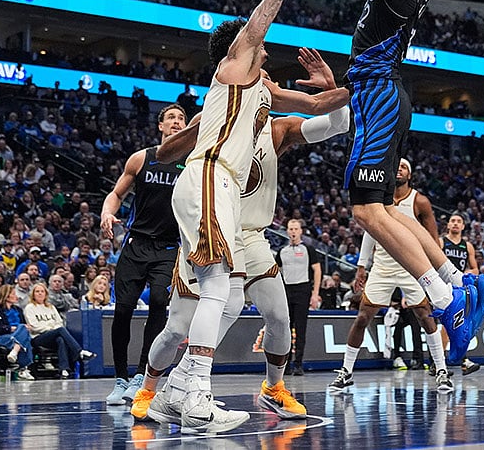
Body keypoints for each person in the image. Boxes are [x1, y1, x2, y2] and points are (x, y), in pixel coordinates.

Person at [159, 0, 346, 435]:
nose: (266, 51)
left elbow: (318, 104)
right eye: (258, 47)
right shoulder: (236, 69)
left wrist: (359, 79)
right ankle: (189, 389)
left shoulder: (261, 91)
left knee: (223, 289)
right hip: (212, 176)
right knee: (222, 287)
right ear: (237, 52)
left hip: (216, 187)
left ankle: (179, 389)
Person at [132, 51, 349, 424]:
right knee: (176, 329)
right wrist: (192, 132)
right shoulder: (215, 118)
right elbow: (165, 154)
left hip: (251, 235)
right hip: (212, 224)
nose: (261, 80)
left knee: (279, 318)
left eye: (266, 77)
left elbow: (336, 126)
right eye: (255, 75)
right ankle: (151, 390)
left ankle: (273, 389)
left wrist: (330, 87)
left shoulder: (278, 129)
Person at [330, 0, 484, 362]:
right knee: (377, 207)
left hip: (380, 95)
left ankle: (446, 301)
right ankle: (454, 281)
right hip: (382, 94)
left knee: (366, 208)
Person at [329, 159, 452, 393]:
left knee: (425, 316)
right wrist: (362, 266)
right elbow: (369, 232)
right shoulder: (379, 197)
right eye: (396, 166)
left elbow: (433, 239)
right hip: (383, 266)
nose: (399, 169)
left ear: (411, 174)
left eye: (404, 167)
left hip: (411, 267)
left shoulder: (420, 201)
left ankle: (442, 370)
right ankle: (345, 372)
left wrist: (436, 268)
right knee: (363, 317)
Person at [99, 103, 187, 407]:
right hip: (136, 245)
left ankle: (141, 375)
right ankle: (120, 379)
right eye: (171, 118)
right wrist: (107, 214)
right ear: (161, 126)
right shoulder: (142, 158)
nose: (177, 122)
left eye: (181, 119)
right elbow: (116, 194)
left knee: (159, 305)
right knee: (122, 311)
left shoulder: (191, 163)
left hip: (169, 247)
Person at [275, 219, 322, 376]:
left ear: (301, 231)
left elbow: (317, 270)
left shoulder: (308, 249)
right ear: (287, 231)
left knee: (301, 328)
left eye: (296, 229)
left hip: (303, 289)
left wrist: (315, 293)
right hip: (287, 290)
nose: (293, 232)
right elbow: (277, 271)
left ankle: (298, 363)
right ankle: (285, 364)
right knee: (285, 329)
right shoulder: (282, 251)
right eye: (290, 229)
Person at [439, 212, 482, 376]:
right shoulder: (441, 242)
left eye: (459, 221)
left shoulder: (467, 246)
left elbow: (475, 268)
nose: (455, 223)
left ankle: (461, 361)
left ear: (463, 226)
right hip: (443, 286)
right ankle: (441, 361)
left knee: (459, 323)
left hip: (460, 287)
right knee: (448, 323)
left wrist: (464, 274)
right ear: (448, 225)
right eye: (452, 221)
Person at [23, 282, 95, 379]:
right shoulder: (30, 307)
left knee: (60, 339)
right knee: (60, 331)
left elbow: (59, 322)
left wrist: (52, 327)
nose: (40, 293)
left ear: (45, 294)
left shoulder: (51, 307)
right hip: (38, 337)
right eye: (37, 291)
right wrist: (51, 327)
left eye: (42, 291)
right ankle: (79, 352)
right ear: (33, 294)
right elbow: (34, 326)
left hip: (53, 335)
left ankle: (64, 370)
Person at [0, 284, 34, 380]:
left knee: (24, 333)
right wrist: (15, 328)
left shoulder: (18, 310)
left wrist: (23, 328)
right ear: (6, 296)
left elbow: (24, 325)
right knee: (24, 335)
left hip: (18, 335)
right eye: (13, 294)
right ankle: (23, 369)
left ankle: (15, 351)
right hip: (3, 337)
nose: (16, 296)